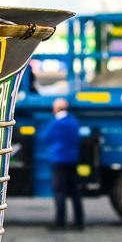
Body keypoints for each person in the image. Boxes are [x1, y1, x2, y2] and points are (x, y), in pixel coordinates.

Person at [40, 97, 84, 230]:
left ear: (56, 109)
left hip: (58, 160)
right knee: (75, 191)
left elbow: (45, 138)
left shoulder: (55, 123)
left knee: (60, 192)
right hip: (72, 159)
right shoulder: (74, 122)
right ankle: (79, 222)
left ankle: (60, 223)